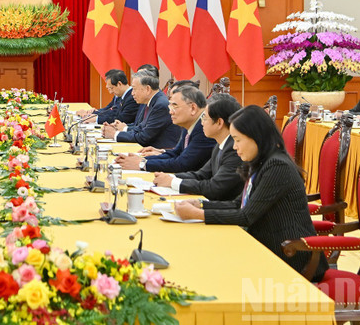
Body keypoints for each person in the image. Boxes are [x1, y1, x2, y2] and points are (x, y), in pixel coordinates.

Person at [174, 105, 328, 281]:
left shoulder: (277, 166)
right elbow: (237, 203)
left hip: (291, 257)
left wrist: (199, 214)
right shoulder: (261, 162)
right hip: (266, 247)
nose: (234, 147)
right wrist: (200, 204)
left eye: (238, 140)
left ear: (256, 137)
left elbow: (246, 216)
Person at [153, 94, 244, 201]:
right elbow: (201, 175)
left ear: (219, 122)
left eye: (204, 118)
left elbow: (214, 187)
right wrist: (171, 177)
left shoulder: (235, 149)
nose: (201, 123)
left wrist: (172, 182)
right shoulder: (220, 144)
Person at [116, 85, 214, 173]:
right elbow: (176, 153)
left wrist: (142, 164)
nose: (170, 112)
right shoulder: (191, 122)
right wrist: (142, 160)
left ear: (193, 108)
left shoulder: (204, 128)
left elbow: (182, 164)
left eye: (174, 106)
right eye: (170, 105)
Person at [103, 70, 181, 148]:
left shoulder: (160, 105)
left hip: (159, 153)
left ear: (147, 89)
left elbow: (144, 137)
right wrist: (119, 128)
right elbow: (141, 128)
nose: (132, 93)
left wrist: (114, 134)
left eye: (134, 89)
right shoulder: (152, 101)